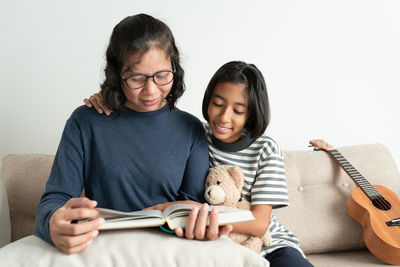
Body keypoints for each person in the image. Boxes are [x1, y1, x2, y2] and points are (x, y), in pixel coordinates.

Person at [34, 13, 232, 255]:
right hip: (103, 249)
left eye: (161, 76)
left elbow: (192, 206)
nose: (150, 91)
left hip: (170, 251)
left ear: (175, 67)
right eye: (136, 78)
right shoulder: (85, 121)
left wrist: (201, 224)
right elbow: (54, 200)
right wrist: (53, 223)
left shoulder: (191, 129)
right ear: (117, 74)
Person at [85, 61, 314, 266]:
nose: (224, 117)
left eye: (238, 110)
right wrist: (110, 97)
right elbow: (157, 113)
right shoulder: (195, 134)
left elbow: (259, 224)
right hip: (217, 245)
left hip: (270, 246)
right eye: (218, 104)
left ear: (252, 114)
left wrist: (190, 208)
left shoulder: (265, 149)